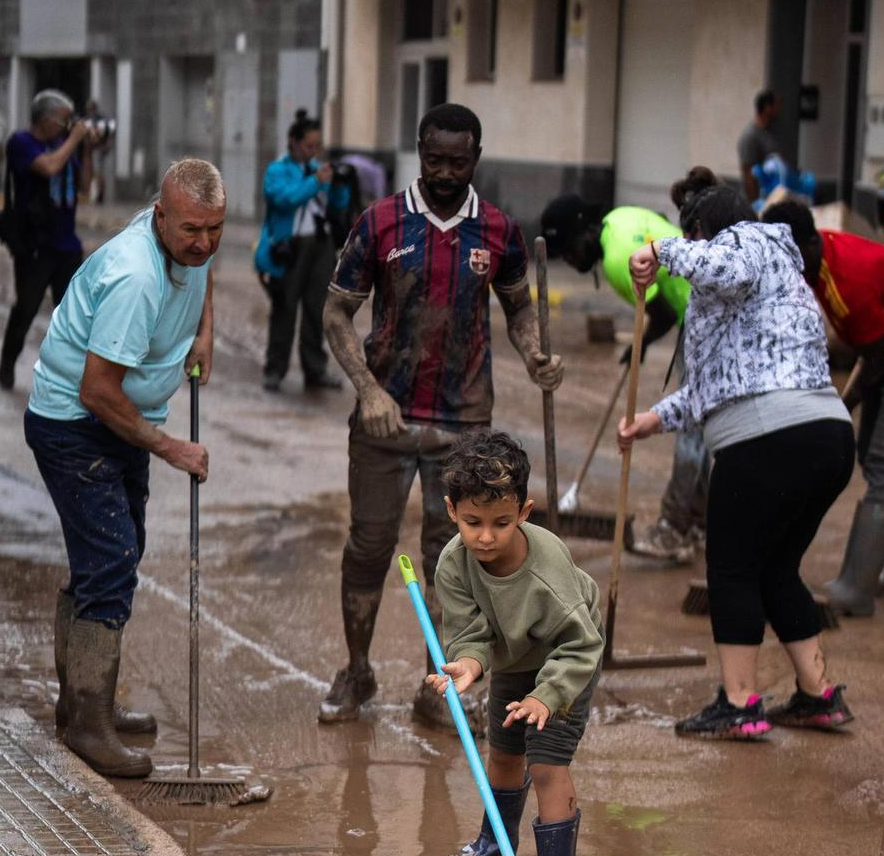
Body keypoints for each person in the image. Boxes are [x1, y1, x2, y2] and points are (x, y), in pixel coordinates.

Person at [320, 102, 563, 731]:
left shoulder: (500, 231)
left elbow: (519, 309)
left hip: (464, 422)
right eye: (435, 159)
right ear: (419, 152)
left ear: (476, 158)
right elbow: (336, 313)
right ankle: (356, 669)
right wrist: (369, 391)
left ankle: (439, 687)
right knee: (370, 545)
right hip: (387, 419)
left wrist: (535, 353)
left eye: (458, 161)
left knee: (452, 557)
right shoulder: (379, 222)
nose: (446, 171)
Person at [618, 167, 855, 740]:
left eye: (691, 238)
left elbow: (723, 262)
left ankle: (740, 703)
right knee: (775, 568)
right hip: (823, 436)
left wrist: (658, 249)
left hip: (768, 442)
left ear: (703, 229)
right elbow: (716, 386)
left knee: (731, 569)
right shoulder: (771, 279)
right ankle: (818, 696)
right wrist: (654, 419)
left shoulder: (749, 242)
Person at [23, 159, 225, 778]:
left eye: (215, 229)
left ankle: (83, 701)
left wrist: (203, 334)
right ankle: (88, 724)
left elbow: (203, 274)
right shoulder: (136, 275)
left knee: (112, 552)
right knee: (110, 558)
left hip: (116, 418)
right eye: (191, 230)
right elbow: (97, 391)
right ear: (160, 217)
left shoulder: (189, 243)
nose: (204, 243)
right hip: (74, 423)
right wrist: (172, 448)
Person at [428, 430, 603, 856]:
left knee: (546, 764)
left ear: (524, 512)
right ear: (451, 511)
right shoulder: (453, 564)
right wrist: (468, 662)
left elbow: (581, 642)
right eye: (473, 522)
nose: (486, 536)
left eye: (502, 523)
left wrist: (547, 696)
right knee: (504, 750)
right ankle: (495, 845)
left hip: (567, 654)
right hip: (512, 652)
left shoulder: (548, 573)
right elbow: (469, 632)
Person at [762, 200, 884, 615]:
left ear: (803, 244)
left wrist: (841, 409)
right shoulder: (819, 257)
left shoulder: (845, 285)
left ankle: (855, 589)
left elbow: (878, 354)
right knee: (876, 459)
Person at [539, 192, 705, 563]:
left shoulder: (616, 261)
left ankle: (675, 527)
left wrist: (640, 344)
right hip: (703, 308)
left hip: (703, 319)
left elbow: (660, 314)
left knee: (694, 428)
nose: (569, 259)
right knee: (706, 426)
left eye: (569, 249)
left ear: (585, 231)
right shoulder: (620, 218)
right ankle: (697, 524)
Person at [0, 89, 93, 391]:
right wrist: (74, 141)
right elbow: (49, 167)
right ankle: (7, 364)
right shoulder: (21, 143)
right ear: (46, 118)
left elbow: (86, 187)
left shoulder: (63, 146)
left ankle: (69, 378)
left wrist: (86, 149)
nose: (68, 126)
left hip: (67, 246)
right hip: (35, 244)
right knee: (26, 307)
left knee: (73, 316)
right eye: (64, 120)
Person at [256, 108, 350, 393]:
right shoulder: (277, 170)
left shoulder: (317, 169)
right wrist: (315, 182)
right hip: (289, 247)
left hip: (320, 245)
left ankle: (315, 368)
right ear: (294, 142)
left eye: (316, 145)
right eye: (309, 145)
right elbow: (285, 199)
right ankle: (275, 369)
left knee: (316, 309)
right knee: (284, 308)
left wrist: (339, 185)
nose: (313, 151)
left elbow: (338, 206)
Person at [737, 90, 781, 201]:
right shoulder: (750, 136)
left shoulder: (768, 131)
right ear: (767, 107)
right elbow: (748, 172)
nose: (778, 109)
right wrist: (754, 204)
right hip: (756, 199)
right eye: (776, 105)